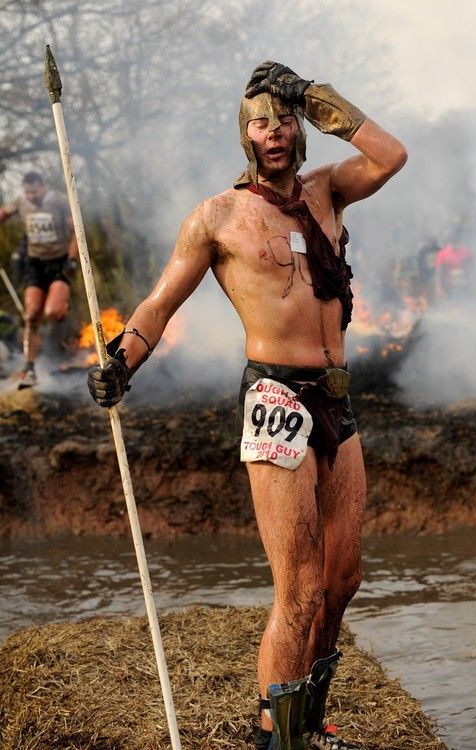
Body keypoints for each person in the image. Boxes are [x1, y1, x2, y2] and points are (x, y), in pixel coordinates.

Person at [87, 61, 407, 749]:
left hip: (337, 400)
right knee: (300, 586)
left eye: (285, 119)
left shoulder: (328, 193)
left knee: (343, 579)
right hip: (276, 396)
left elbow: (391, 155)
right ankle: (275, 737)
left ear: (300, 130)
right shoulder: (219, 217)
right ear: (244, 136)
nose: (275, 131)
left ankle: (308, 722)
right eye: (261, 121)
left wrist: (322, 99)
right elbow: (160, 301)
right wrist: (122, 361)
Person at [0, 171, 79, 388]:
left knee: (52, 312)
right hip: (35, 264)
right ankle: (29, 368)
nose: (31, 196)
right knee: (32, 314)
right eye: (27, 192)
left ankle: (64, 307)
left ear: (42, 187)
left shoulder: (59, 202)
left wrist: (72, 259)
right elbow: (3, 214)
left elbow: (76, 233)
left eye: (34, 192)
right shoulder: (21, 201)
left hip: (59, 263)